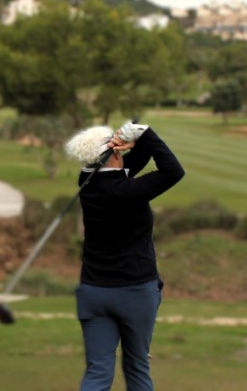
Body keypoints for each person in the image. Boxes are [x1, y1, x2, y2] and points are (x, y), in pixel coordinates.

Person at [63, 121, 185, 391]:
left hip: (94, 292)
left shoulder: (87, 181)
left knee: (97, 371)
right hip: (135, 293)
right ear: (115, 152)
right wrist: (146, 133)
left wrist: (134, 144)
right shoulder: (126, 191)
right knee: (137, 367)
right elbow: (174, 171)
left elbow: (125, 166)